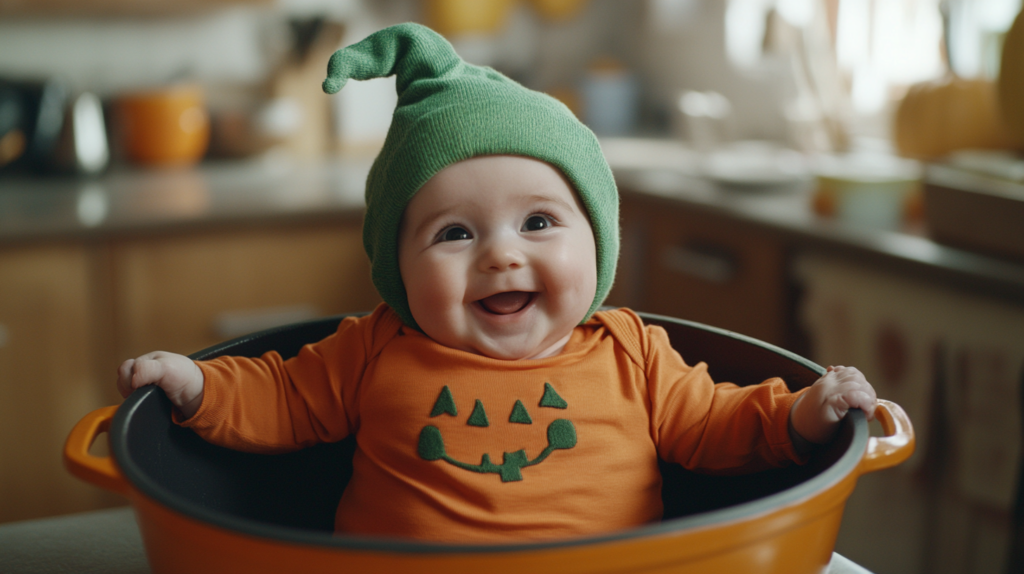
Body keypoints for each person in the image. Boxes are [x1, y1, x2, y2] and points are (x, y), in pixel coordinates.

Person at [116, 23, 876, 543]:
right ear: (396, 270)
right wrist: (197, 386)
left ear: (597, 243)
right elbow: (279, 397)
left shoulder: (633, 354)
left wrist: (807, 414)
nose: (501, 257)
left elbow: (720, 425)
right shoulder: (376, 349)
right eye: (454, 233)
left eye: (539, 223)